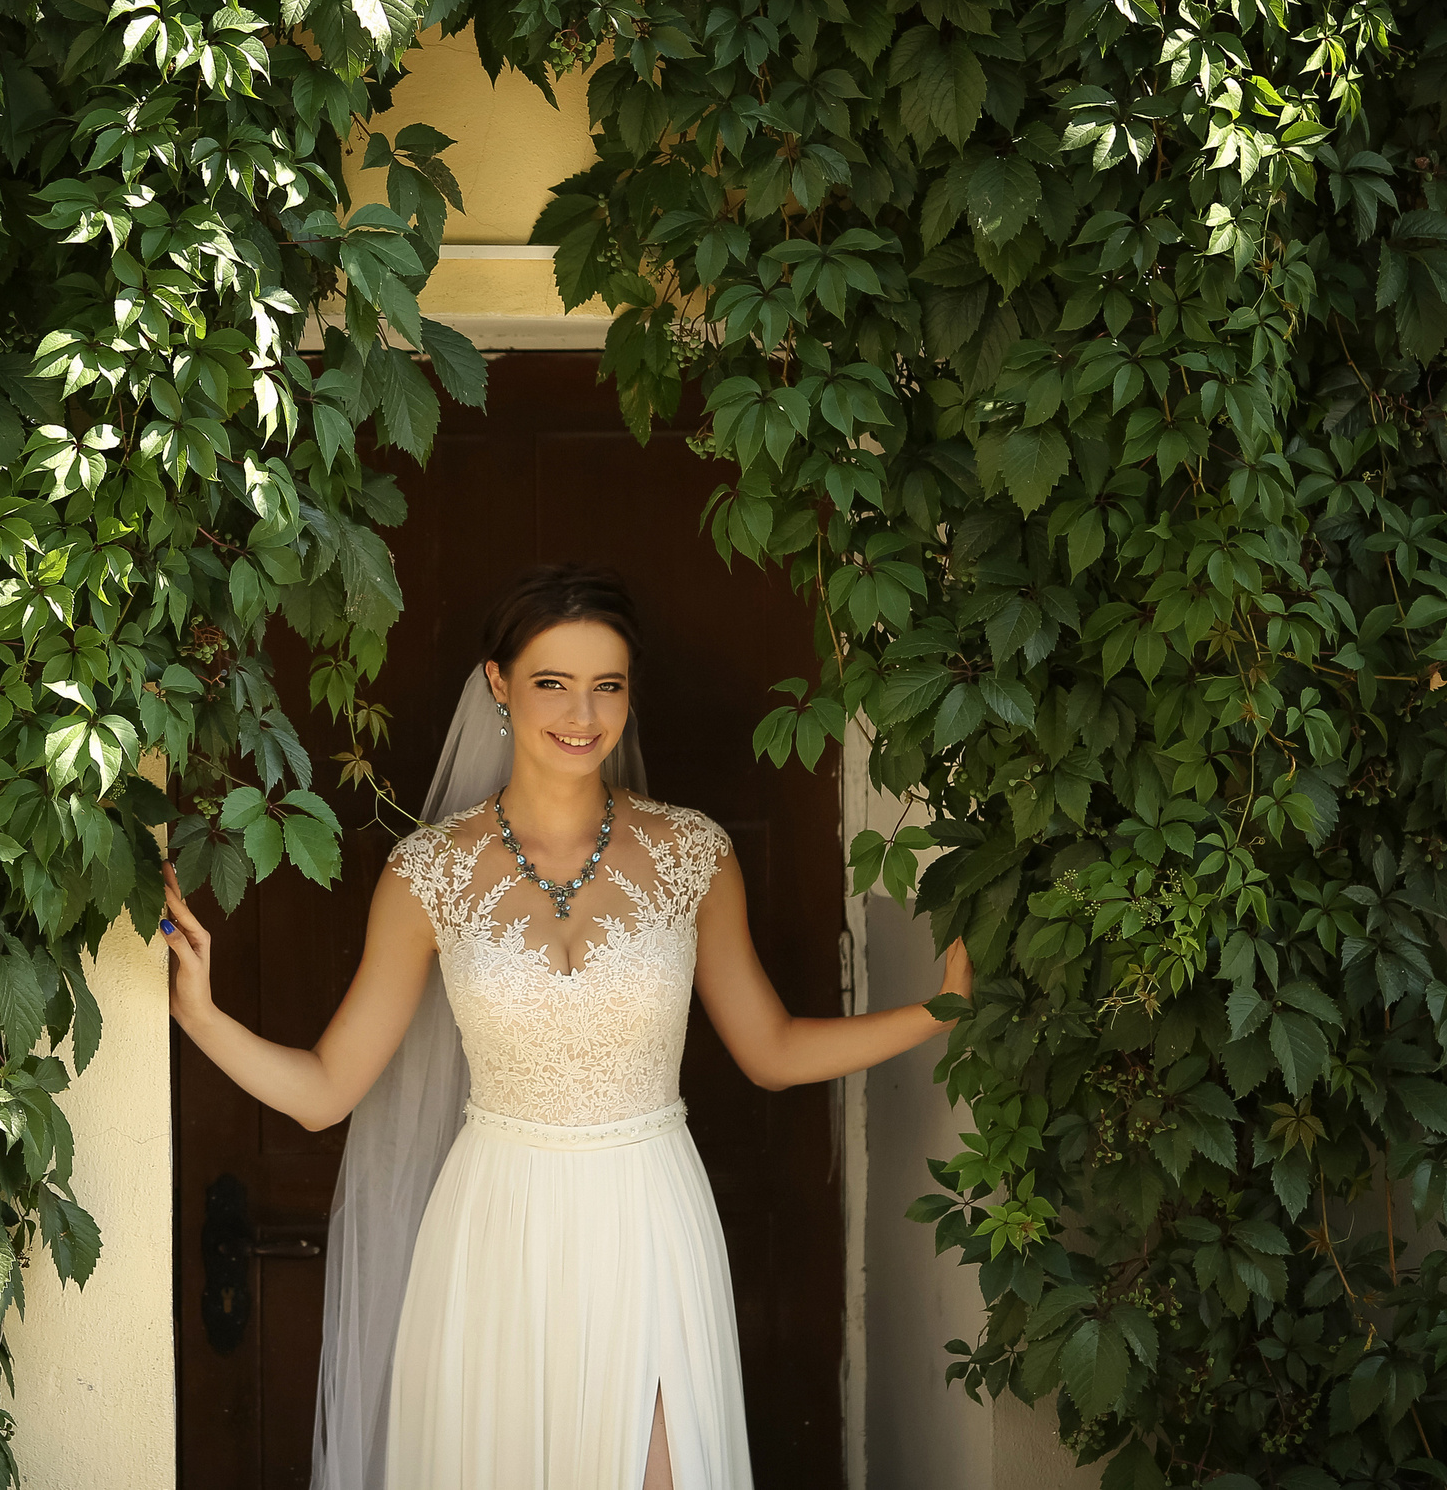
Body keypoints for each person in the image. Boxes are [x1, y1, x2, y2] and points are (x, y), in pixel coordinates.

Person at [158, 562, 972, 1490]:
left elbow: (773, 1050)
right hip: (496, 1224)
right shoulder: (427, 873)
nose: (582, 712)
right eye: (553, 682)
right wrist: (204, 1016)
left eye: (607, 684)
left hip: (651, 1210)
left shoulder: (692, 853)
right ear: (500, 685)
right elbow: (327, 1090)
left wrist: (929, 1014)